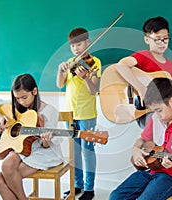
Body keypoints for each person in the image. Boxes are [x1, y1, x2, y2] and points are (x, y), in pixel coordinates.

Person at [109, 77, 172, 200]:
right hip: (149, 171)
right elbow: (141, 140)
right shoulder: (155, 120)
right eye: (154, 111)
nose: (157, 115)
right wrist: (135, 150)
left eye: (159, 110)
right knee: (116, 196)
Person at [0, 73, 64, 200]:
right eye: (17, 98)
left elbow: (47, 145)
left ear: (34, 91)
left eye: (24, 97)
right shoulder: (17, 106)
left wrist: (45, 140)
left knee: (1, 178)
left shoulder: (48, 111)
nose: (21, 102)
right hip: (22, 148)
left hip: (43, 152)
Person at [56, 27, 101, 200]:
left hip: (87, 113)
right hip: (70, 113)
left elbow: (93, 90)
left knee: (87, 150)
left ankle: (90, 188)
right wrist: (60, 70)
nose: (75, 49)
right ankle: (77, 184)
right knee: (74, 151)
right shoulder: (70, 62)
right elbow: (60, 84)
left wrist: (87, 78)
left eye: (79, 44)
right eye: (72, 46)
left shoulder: (94, 62)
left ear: (88, 42)